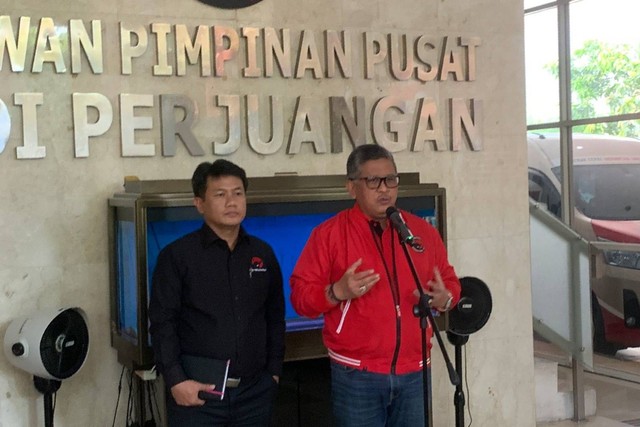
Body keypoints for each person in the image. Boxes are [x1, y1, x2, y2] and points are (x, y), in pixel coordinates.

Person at [290, 144, 461, 427]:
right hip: (357, 376)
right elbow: (300, 297)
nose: (384, 189)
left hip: (415, 373)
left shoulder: (421, 232)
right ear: (351, 187)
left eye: (391, 179)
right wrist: (337, 292)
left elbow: (451, 282)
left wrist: (447, 298)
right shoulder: (329, 235)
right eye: (372, 181)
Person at [149, 159, 285, 426]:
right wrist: (176, 380)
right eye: (220, 195)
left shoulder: (262, 253)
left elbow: (274, 316)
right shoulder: (177, 256)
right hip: (198, 395)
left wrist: (274, 372)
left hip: (255, 393)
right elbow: (163, 324)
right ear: (199, 203)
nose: (231, 202)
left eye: (238, 193)